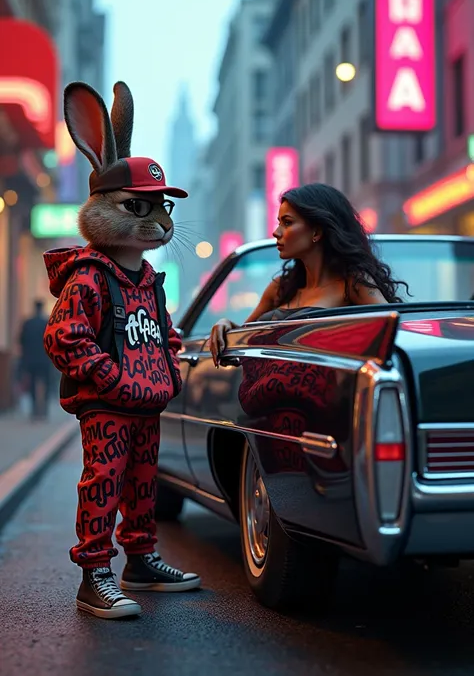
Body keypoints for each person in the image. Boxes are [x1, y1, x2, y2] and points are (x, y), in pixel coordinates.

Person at [43, 80, 200, 620]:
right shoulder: (88, 277)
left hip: (147, 403)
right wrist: (111, 379)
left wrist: (170, 367)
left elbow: (163, 329)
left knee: (143, 484)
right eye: (139, 207)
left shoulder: (149, 279)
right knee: (103, 483)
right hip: (109, 406)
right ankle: (95, 575)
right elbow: (63, 336)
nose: (159, 222)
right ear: (103, 208)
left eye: (161, 208)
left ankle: (141, 559)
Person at [210, 183, 409, 366]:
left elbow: (392, 334)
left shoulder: (354, 283)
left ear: (317, 232)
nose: (276, 232)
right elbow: (244, 336)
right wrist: (225, 324)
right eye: (279, 222)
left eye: (287, 223)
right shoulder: (280, 287)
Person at [18, 299, 51, 419]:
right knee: (46, 383)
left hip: (30, 359)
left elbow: (21, 341)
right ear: (42, 308)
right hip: (45, 359)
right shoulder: (46, 323)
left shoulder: (28, 323)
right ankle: (44, 410)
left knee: (32, 384)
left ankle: (34, 410)